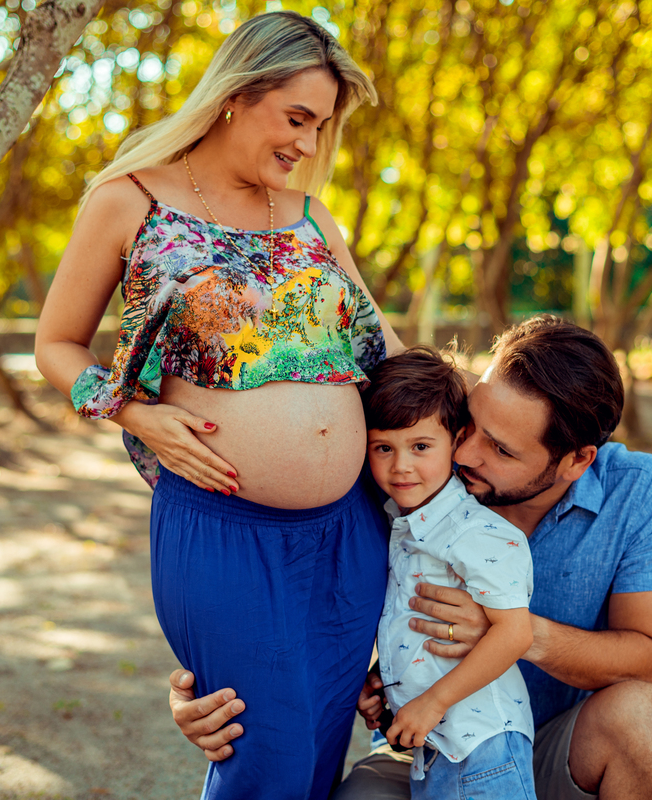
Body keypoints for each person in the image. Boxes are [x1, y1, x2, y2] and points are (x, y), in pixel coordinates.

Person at [35, 12, 404, 800]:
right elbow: (57, 344)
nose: (308, 144)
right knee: (259, 758)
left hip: (350, 531)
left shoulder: (310, 217)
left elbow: (385, 352)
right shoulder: (129, 199)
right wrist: (133, 413)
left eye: (322, 126)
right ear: (236, 95)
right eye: (296, 118)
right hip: (222, 526)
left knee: (316, 753)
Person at [168, 315, 652, 800]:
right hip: (418, 748)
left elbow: (649, 657)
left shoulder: (640, 492)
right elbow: (280, 581)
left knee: (651, 720)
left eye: (502, 450)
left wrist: (510, 632)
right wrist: (206, 689)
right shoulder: (409, 472)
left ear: (576, 460)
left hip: (552, 746)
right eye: (471, 426)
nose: (466, 455)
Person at [362, 346, 537, 799]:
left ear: (457, 441)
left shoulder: (478, 532)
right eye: (384, 447)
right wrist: (385, 680)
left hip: (482, 747)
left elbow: (514, 633)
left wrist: (432, 702)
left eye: (420, 447)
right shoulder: (402, 524)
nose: (401, 465)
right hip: (436, 747)